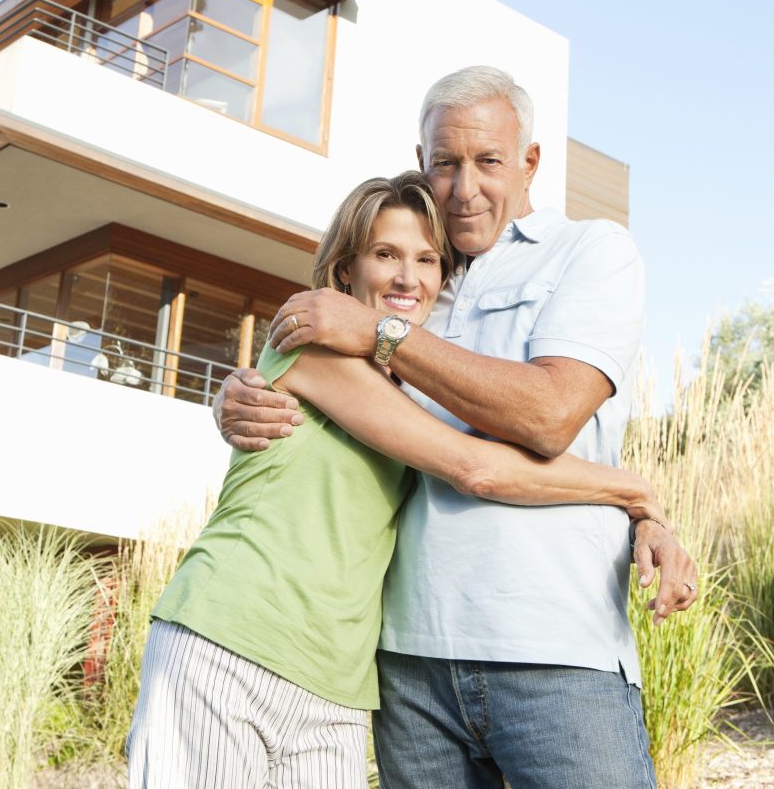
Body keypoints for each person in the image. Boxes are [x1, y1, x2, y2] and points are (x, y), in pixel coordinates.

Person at [216, 66, 698, 789]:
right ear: (422, 162)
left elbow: (548, 415)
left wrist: (379, 332)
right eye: (445, 163)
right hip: (406, 662)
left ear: (530, 162)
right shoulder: (414, 274)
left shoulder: (592, 253)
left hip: (555, 650)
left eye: (488, 162)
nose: (465, 187)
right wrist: (233, 394)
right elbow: (321, 380)